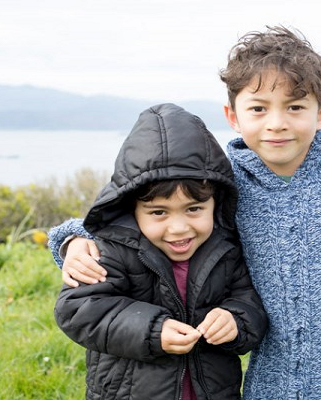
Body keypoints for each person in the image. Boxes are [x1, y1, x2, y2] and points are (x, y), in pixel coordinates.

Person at [49, 26, 321, 399]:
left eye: (294, 106)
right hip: (270, 385)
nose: (277, 123)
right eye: (258, 108)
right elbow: (130, 213)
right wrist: (71, 240)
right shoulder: (221, 183)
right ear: (233, 116)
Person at [51, 103, 267, 400]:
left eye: (194, 209)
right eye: (159, 213)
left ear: (216, 202)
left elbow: (251, 301)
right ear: (132, 208)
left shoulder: (226, 249)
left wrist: (235, 320)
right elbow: (79, 309)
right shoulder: (111, 250)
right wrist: (153, 329)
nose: (178, 228)